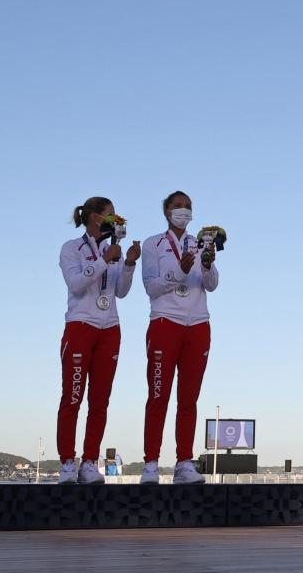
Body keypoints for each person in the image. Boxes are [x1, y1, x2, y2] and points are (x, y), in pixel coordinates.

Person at [57, 197, 141, 484]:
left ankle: (90, 461)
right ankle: (68, 461)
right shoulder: (72, 248)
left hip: (110, 328)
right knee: (72, 396)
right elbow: (77, 284)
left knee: (100, 401)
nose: (115, 221)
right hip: (80, 326)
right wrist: (104, 261)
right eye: (110, 216)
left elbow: (122, 292)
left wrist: (128, 263)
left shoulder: (111, 250)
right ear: (94, 217)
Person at [140, 191, 220, 485]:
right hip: (165, 322)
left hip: (198, 324)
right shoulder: (153, 244)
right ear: (166, 211)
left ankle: (184, 462)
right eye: (178, 207)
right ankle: (150, 462)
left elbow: (211, 285)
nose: (183, 211)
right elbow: (151, 287)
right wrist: (179, 270)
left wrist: (208, 264)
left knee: (189, 399)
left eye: (188, 207)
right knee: (158, 395)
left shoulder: (199, 243)